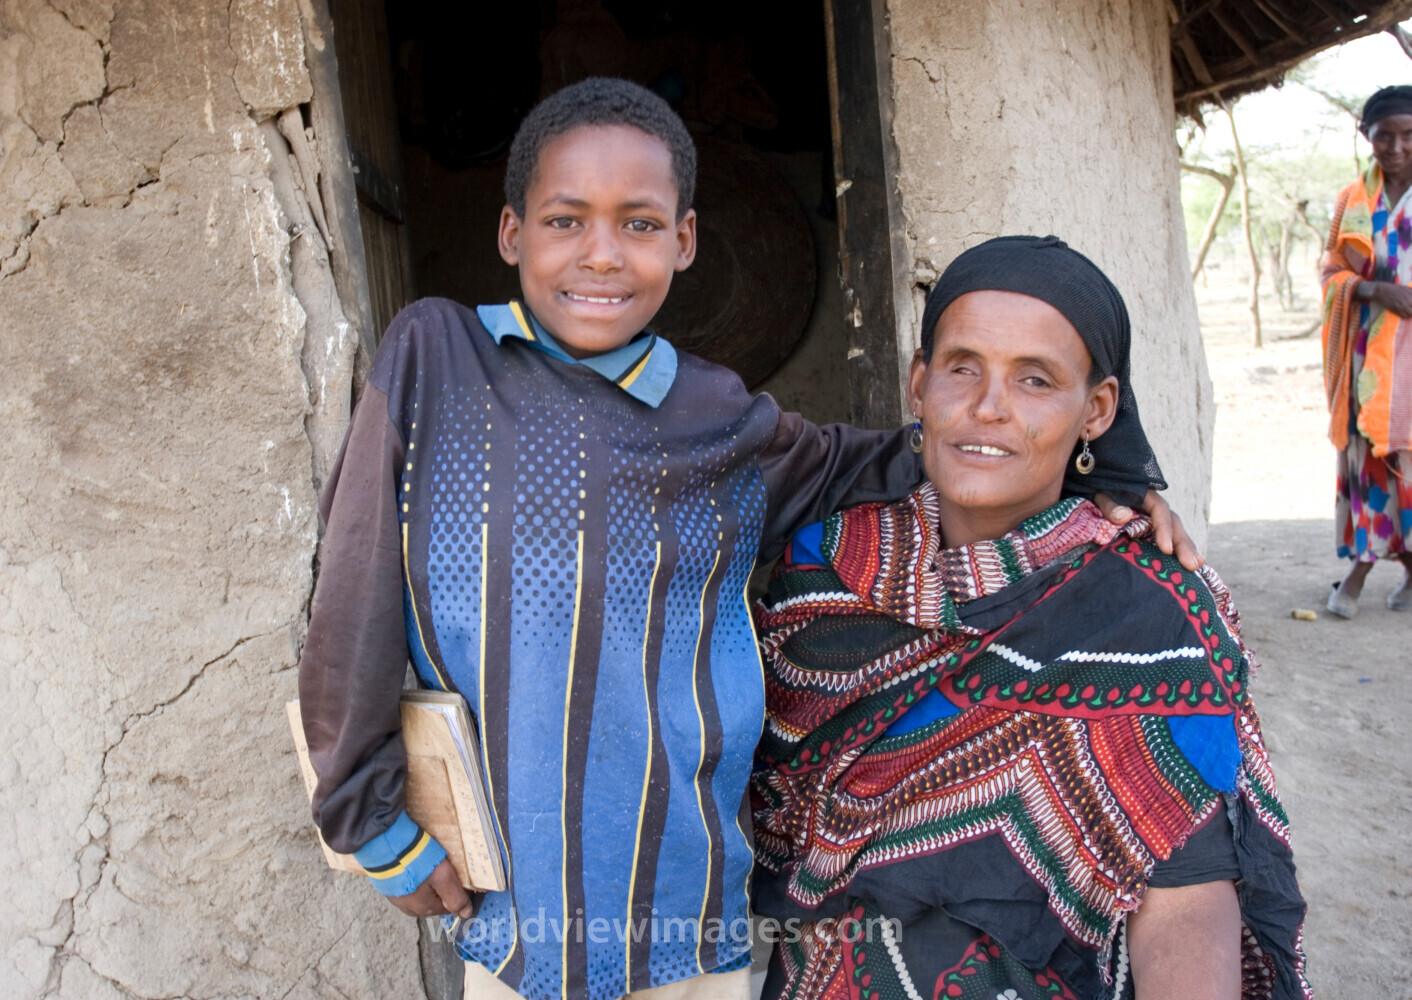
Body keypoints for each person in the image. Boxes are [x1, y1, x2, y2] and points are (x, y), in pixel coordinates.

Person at [298, 79, 1194, 1000]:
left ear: (684, 242)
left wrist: (1112, 472)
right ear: (510, 234)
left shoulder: (719, 419)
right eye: (566, 221)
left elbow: (897, 457)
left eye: (640, 225)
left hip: (692, 906)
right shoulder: (437, 362)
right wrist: (367, 819)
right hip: (519, 909)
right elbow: (355, 593)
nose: (601, 255)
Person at [750, 237, 1309, 1000]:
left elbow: (1187, 888)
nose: (989, 405)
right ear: (919, 384)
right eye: (962, 367)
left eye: (1036, 379)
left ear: (1097, 410)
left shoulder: (1150, 610)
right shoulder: (823, 570)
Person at [1320, 84, 1412, 617]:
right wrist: (1378, 290)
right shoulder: (1352, 201)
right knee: (1367, 456)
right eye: (1384, 137)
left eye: (1407, 135)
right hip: (1367, 358)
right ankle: (1359, 570)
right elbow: (1332, 272)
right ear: (1366, 137)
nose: (1396, 147)